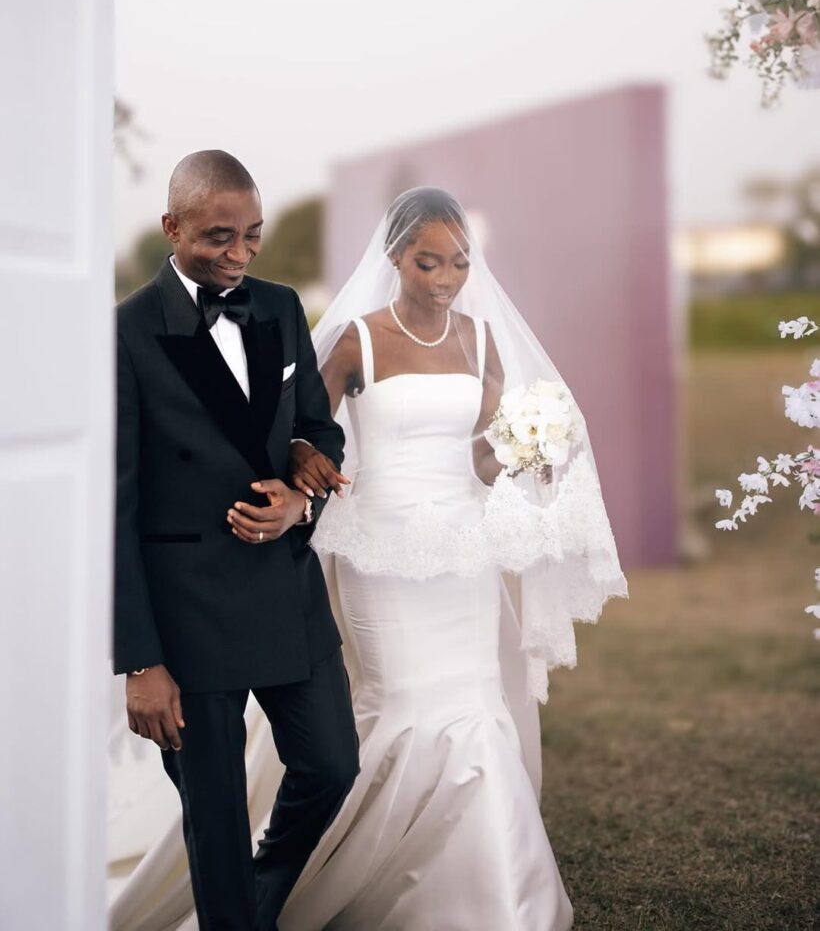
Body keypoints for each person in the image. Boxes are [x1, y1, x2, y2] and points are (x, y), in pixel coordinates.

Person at [276, 187, 628, 930]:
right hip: (380, 546)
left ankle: (490, 893)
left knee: (474, 706)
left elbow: (481, 459)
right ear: (395, 256)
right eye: (427, 262)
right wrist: (305, 461)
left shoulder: (481, 340)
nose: (445, 279)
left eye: (460, 263)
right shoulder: (356, 340)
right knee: (403, 705)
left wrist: (528, 452)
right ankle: (356, 883)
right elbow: (303, 432)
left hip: (464, 548)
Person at [112, 149, 358, 930]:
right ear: (172, 227)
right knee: (214, 822)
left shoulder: (281, 308)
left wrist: (302, 492)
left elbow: (317, 425)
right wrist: (140, 662)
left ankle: (254, 899)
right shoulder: (125, 332)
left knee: (332, 763)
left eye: (252, 234)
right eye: (220, 236)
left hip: (284, 588)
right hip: (188, 614)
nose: (241, 253)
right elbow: (115, 507)